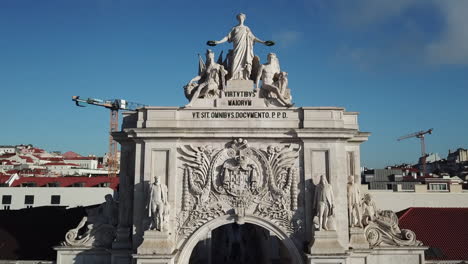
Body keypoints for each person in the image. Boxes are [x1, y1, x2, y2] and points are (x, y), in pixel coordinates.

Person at [208, 13, 274, 80]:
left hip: (245, 48)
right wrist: (218, 42)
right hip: (237, 48)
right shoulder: (234, 28)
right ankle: (234, 77)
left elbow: (253, 38)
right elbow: (227, 37)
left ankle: (245, 77)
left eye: (242, 17)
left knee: (245, 62)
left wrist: (263, 42)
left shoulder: (246, 28)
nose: (241, 18)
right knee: (235, 61)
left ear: (244, 19)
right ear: (238, 19)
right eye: (239, 17)